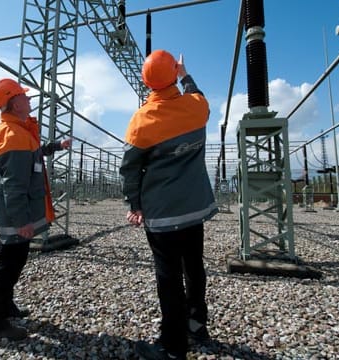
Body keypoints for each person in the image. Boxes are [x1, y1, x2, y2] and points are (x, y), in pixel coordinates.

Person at [119, 50, 218, 360]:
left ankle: (173, 346)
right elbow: (196, 92)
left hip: (162, 215)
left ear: (146, 82)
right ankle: (196, 323)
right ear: (175, 74)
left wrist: (134, 204)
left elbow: (129, 169)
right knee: (194, 266)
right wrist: (185, 73)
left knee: (168, 277)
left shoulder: (141, 121)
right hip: (194, 210)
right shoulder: (197, 109)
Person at [0, 78, 71, 342]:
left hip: (14, 214)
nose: (29, 99)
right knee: (8, 265)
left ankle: (6, 307)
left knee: (11, 261)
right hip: (14, 216)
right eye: (24, 96)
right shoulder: (13, 135)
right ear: (14, 103)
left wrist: (56, 147)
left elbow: (34, 154)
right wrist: (22, 220)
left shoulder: (19, 131)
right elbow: (14, 185)